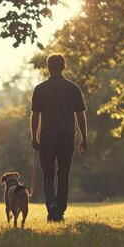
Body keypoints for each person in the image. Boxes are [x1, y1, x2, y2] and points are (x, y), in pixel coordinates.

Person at [30, 54, 87, 222]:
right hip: (67, 137)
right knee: (64, 174)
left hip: (47, 137)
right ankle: (60, 210)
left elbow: (35, 116)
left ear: (48, 67)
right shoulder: (73, 88)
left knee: (48, 175)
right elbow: (80, 116)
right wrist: (84, 137)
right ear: (64, 67)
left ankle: (52, 207)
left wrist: (34, 137)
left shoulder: (40, 89)